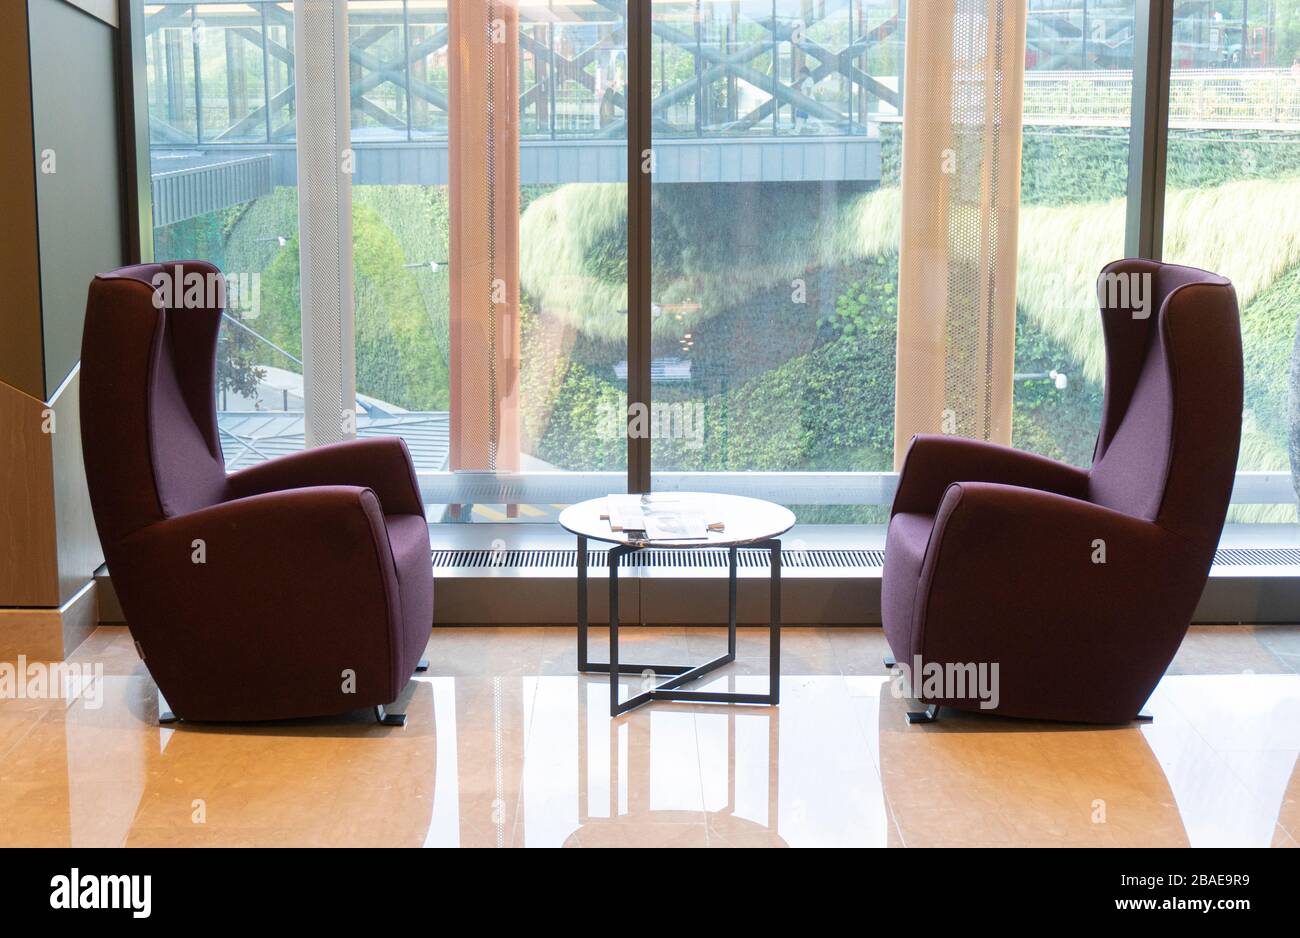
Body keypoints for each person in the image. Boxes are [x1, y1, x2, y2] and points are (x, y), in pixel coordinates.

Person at [794, 66, 814, 133]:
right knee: (801, 116)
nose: (800, 76)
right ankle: (797, 130)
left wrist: (804, 101)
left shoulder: (809, 80)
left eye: (801, 74)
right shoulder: (805, 80)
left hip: (807, 101)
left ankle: (797, 131)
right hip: (804, 101)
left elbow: (808, 92)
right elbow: (801, 90)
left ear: (805, 73)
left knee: (801, 116)